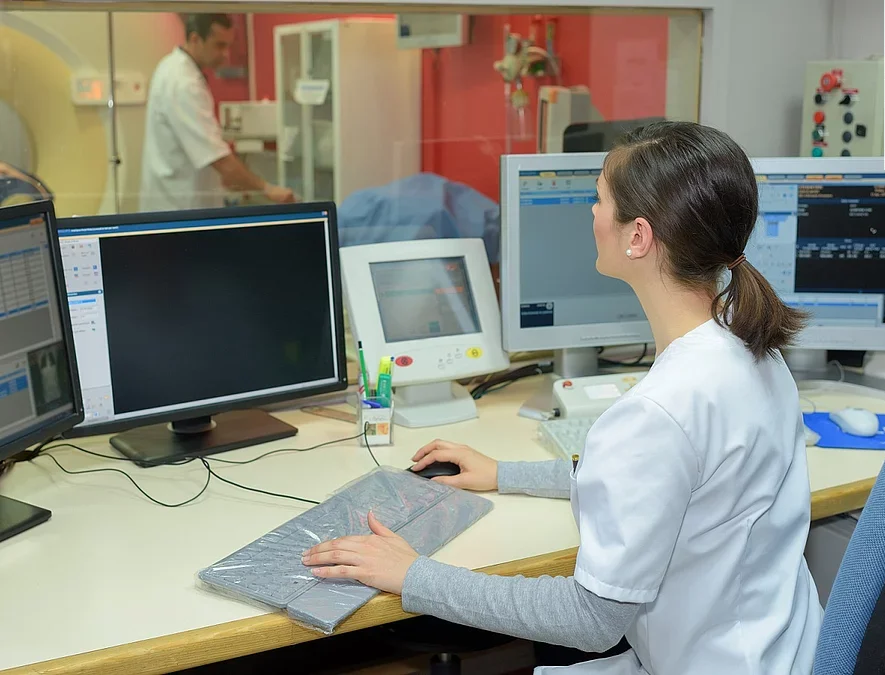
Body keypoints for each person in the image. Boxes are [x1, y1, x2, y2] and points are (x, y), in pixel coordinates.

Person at [302, 121, 824, 674]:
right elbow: (669, 487)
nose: (592, 214)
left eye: (599, 199)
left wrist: (412, 575)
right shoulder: (752, 349)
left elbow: (589, 620)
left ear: (638, 236)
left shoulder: (659, 411)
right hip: (778, 653)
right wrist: (505, 473)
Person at [139, 14, 293, 212]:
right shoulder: (184, 83)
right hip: (179, 207)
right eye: (219, 45)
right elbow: (218, 159)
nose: (226, 54)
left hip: (178, 201)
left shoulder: (171, 67)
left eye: (228, 46)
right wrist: (268, 189)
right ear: (195, 39)